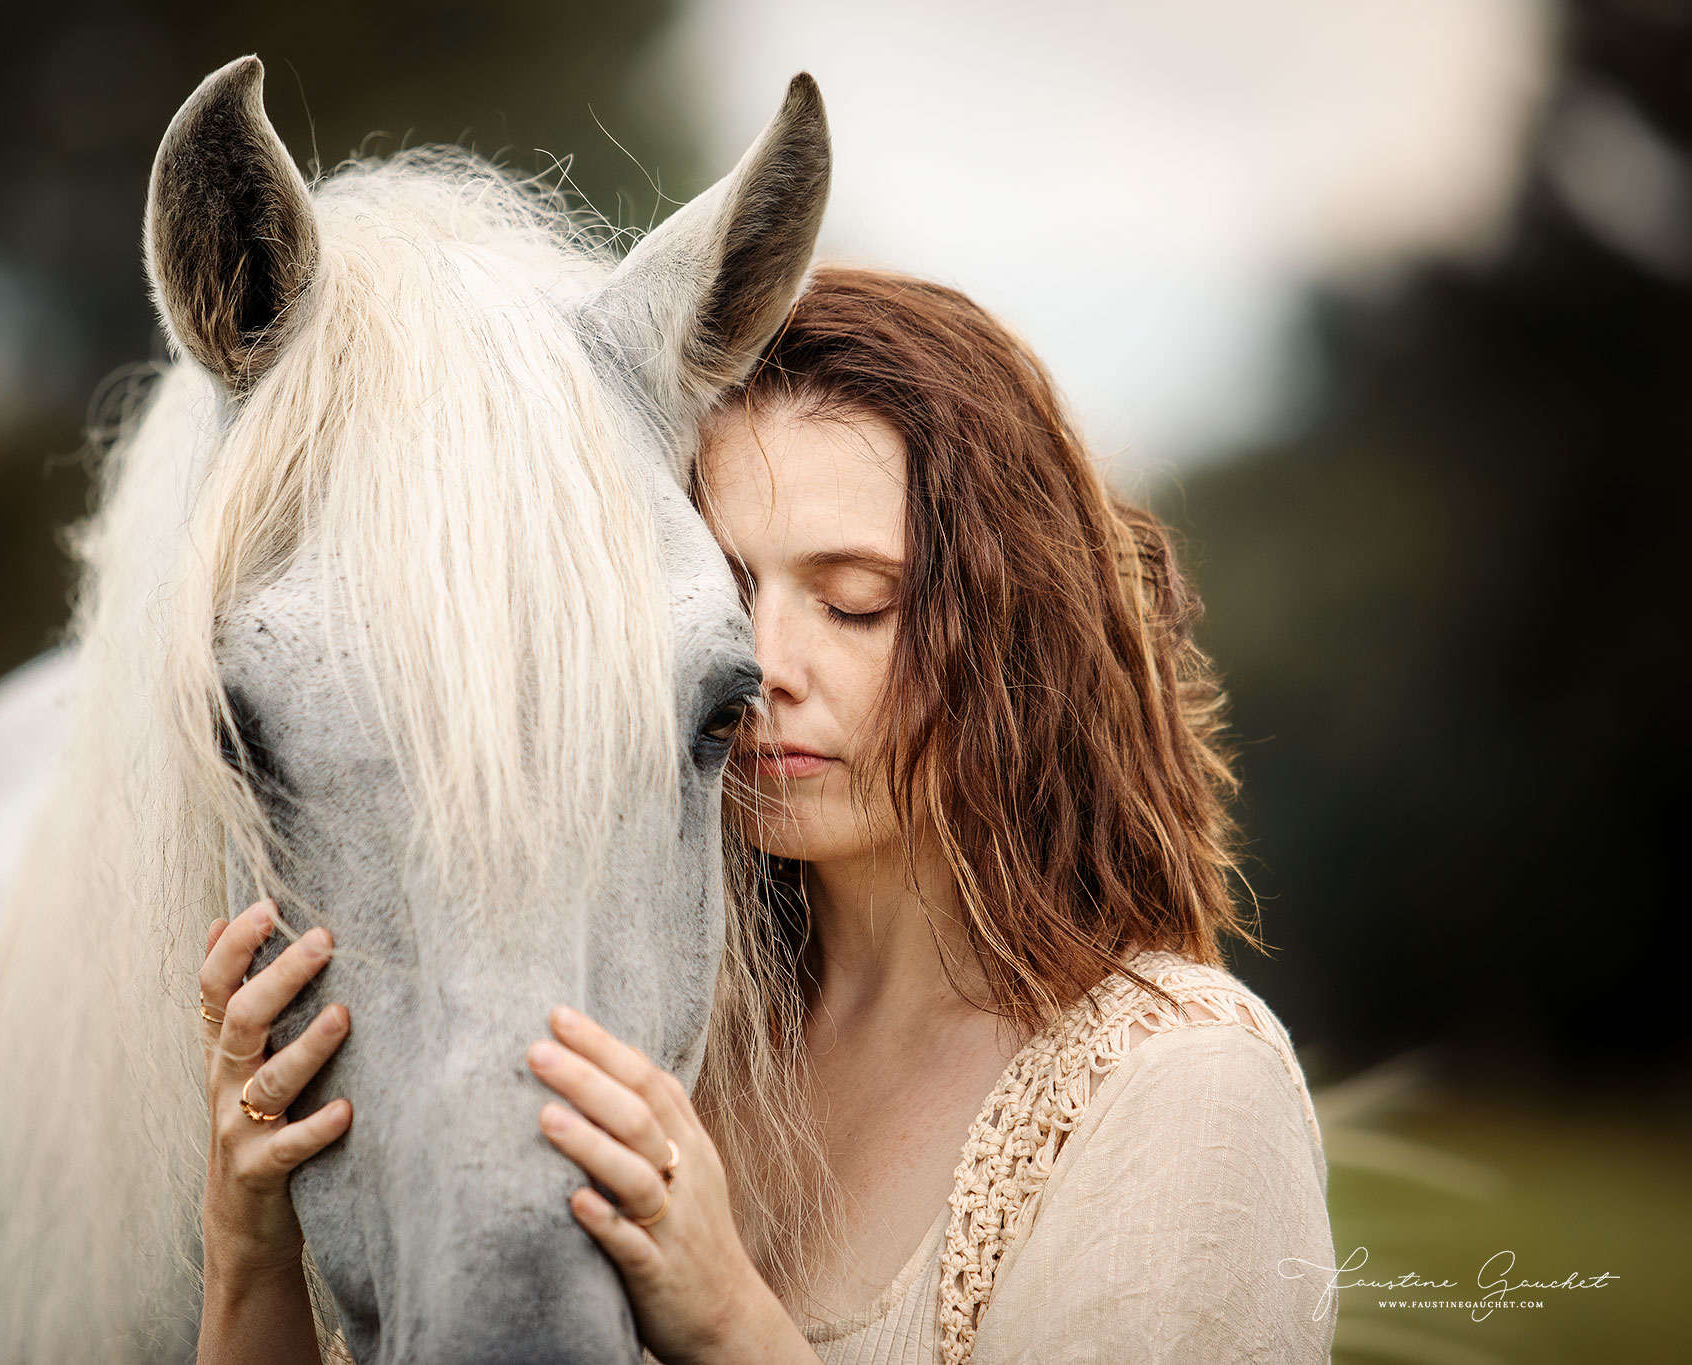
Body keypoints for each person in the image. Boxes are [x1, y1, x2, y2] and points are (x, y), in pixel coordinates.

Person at [193, 266, 1337, 1364]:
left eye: (854, 602)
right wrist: (249, 1255)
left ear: (1015, 632)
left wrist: (729, 1324)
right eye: (727, 595)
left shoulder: (1180, 1087)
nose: (763, 666)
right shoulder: (657, 1037)